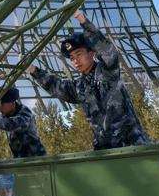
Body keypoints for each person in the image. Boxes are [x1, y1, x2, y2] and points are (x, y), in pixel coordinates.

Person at [28, 10, 149, 150]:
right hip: (105, 152)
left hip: (133, 147)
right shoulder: (79, 86)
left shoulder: (108, 71)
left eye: (79, 54)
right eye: (72, 58)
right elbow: (56, 86)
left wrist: (83, 22)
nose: (75, 61)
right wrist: (34, 71)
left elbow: (108, 51)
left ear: (91, 53)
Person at [0, 86, 47, 158]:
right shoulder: (8, 114)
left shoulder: (25, 114)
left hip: (37, 160)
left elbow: (10, 124)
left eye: (1, 104)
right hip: (22, 160)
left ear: (11, 103)